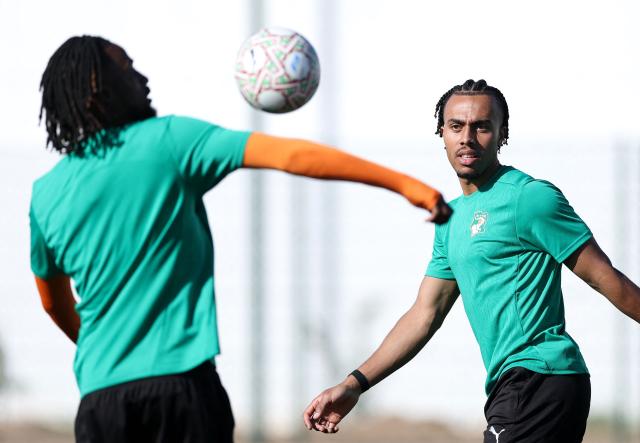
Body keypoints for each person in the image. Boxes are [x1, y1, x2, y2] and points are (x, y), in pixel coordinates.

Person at [30, 35, 451, 442]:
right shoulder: (169, 141)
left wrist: (104, 350)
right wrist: (404, 184)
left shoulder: (46, 194)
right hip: (180, 387)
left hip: (100, 400)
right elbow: (291, 155)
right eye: (128, 69)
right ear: (95, 91)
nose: (143, 79)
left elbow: (53, 301)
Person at [303, 79, 640, 443]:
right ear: (442, 133)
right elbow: (424, 314)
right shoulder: (450, 218)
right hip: (509, 387)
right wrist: (354, 384)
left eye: (481, 126)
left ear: (501, 134)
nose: (467, 137)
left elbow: (604, 278)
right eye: (456, 126)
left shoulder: (530, 198)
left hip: (541, 376)